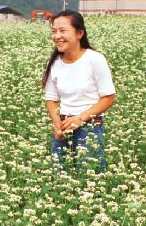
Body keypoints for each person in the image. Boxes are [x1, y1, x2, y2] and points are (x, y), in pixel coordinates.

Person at [42, 10, 116, 171]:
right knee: (60, 179)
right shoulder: (53, 63)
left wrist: (80, 119)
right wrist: (57, 125)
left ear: (79, 33)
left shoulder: (95, 60)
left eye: (63, 31)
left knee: (90, 178)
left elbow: (108, 97)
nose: (57, 36)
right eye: (54, 31)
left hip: (89, 128)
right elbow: (51, 98)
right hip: (63, 127)